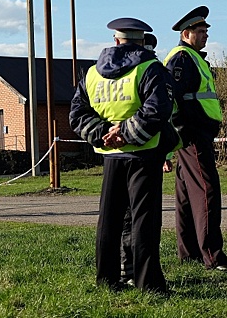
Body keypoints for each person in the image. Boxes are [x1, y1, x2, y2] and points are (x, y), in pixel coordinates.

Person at [69, 18, 179, 292]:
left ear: (116, 41)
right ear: (142, 41)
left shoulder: (93, 73)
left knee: (109, 219)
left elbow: (77, 114)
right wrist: (127, 133)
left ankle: (107, 279)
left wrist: (105, 132)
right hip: (144, 153)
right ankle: (148, 282)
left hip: (110, 155)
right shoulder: (150, 68)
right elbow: (158, 109)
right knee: (144, 220)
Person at [164, 6, 227, 271]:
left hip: (191, 136)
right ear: (186, 34)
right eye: (200, 31)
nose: (205, 35)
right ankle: (213, 257)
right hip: (192, 135)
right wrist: (173, 141)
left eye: (206, 31)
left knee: (186, 196)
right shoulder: (182, 59)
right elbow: (170, 99)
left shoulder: (191, 58)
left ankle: (190, 253)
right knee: (207, 191)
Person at [119, 32, 174, 286]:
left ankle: (126, 269)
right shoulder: (154, 73)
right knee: (142, 217)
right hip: (144, 153)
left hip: (116, 153)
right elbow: (161, 117)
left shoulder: (114, 73)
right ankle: (136, 272)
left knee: (125, 216)